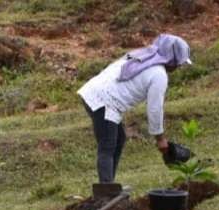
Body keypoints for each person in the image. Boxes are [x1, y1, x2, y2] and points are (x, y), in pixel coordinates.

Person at [78, 34, 192, 185]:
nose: (178, 67)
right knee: (107, 145)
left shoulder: (142, 56)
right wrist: (160, 139)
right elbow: (154, 109)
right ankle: (105, 192)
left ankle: (109, 186)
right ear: (171, 59)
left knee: (119, 139)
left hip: (94, 93)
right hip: (104, 101)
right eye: (178, 63)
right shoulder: (159, 74)